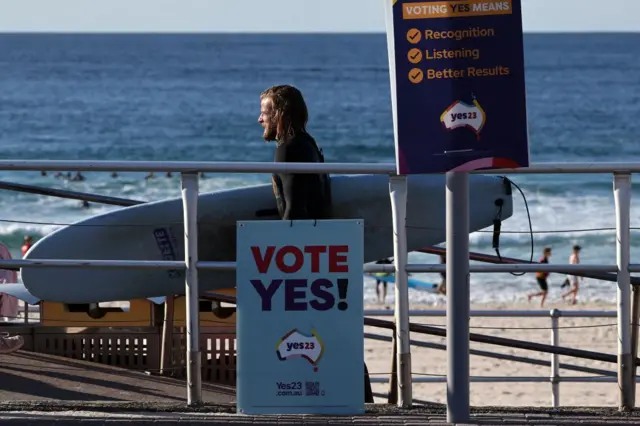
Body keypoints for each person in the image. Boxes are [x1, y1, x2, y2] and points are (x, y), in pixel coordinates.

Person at [258, 84, 331, 220]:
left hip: (304, 237)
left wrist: (284, 238)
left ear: (279, 115)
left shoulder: (288, 150)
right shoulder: (308, 143)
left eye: (264, 113)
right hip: (319, 233)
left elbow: (295, 210)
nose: (260, 119)